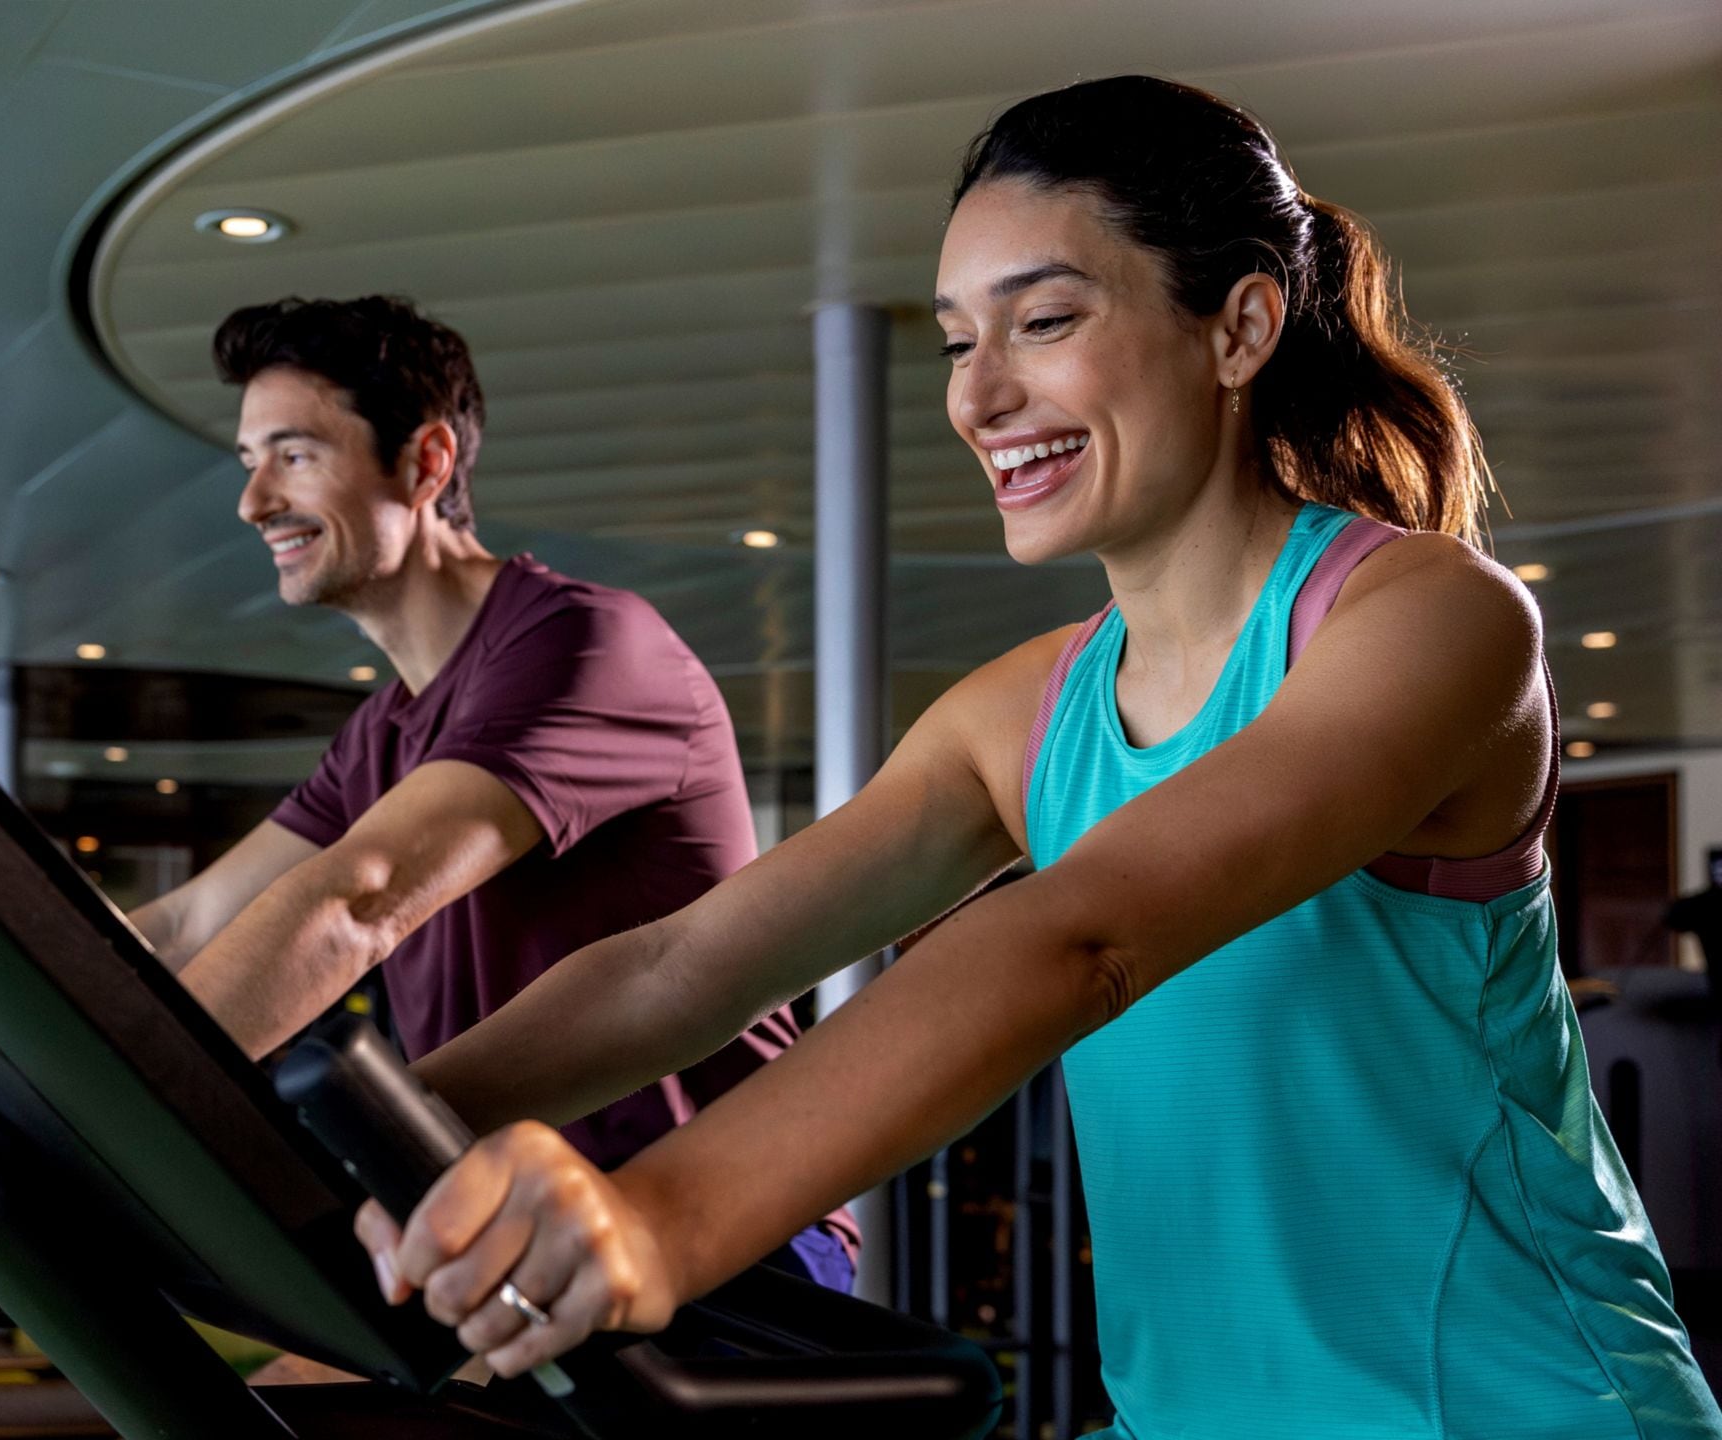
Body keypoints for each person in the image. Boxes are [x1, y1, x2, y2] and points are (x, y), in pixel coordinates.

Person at [359, 77, 1722, 1439]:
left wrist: (654, 1224)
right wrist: (362, 1132)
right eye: (958, 343)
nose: (981, 396)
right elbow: (686, 966)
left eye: (1045, 321)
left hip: (1516, 1410)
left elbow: (1089, 936)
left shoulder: (1427, 622)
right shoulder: (1020, 715)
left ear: (1240, 327)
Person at [126, 295, 856, 1290]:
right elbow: (185, 926)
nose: (254, 503)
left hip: (710, 1224)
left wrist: (113, 1110)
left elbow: (361, 897)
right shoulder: (382, 732)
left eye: (292, 455)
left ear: (425, 463)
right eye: (249, 462)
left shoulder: (585, 645)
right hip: (507, 1224)